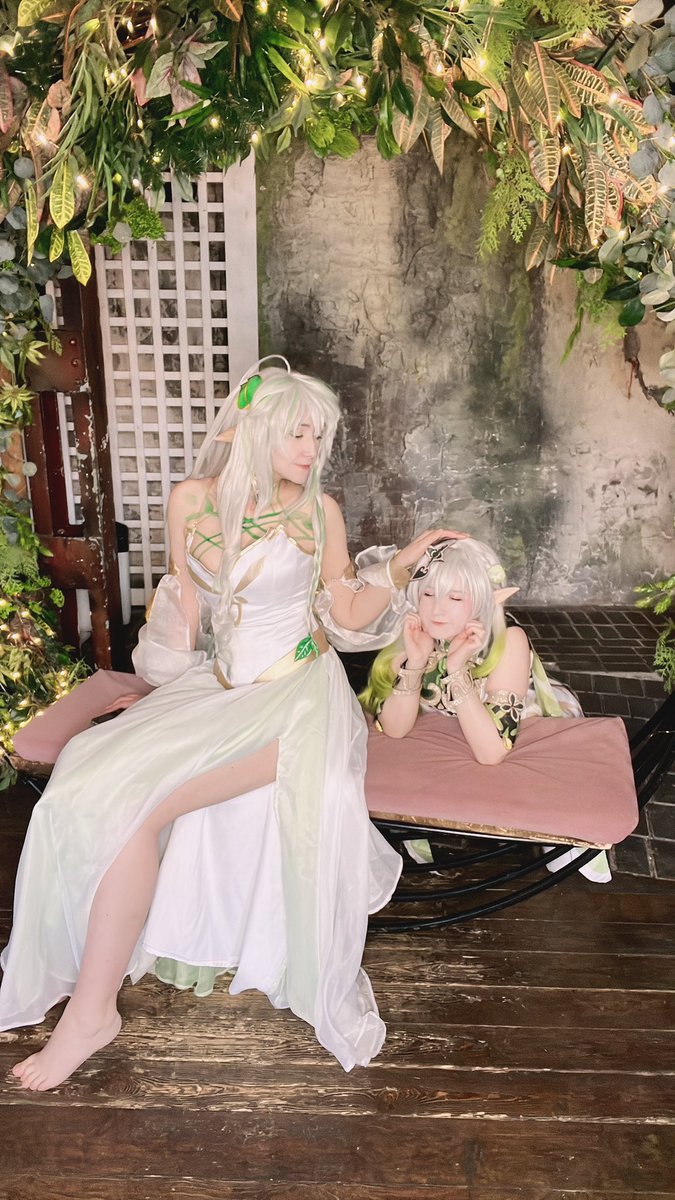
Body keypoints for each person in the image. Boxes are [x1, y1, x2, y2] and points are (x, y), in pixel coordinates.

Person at [0, 357, 459, 1090]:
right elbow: (186, 614)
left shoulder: (319, 511)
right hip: (217, 690)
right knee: (84, 780)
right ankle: (86, 994)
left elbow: (345, 613)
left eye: (319, 436)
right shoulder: (191, 501)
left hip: (297, 702)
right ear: (255, 429)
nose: (311, 450)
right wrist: (158, 696)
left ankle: (90, 1016)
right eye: (297, 433)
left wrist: (401, 567)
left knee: (143, 807)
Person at [360, 536, 611, 878]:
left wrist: (456, 669)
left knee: (532, 775)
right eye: (429, 594)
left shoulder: (509, 641)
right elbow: (394, 729)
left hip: (527, 714)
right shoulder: (414, 633)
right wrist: (416, 662)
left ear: (479, 601)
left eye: (455, 597)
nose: (437, 609)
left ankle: (563, 833)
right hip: (453, 720)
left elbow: (491, 752)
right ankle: (413, 822)